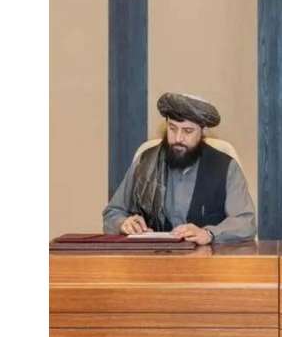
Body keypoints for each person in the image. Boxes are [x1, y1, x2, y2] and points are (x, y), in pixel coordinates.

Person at [103, 92, 256, 245]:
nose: (178, 138)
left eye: (188, 131)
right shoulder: (145, 162)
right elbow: (112, 213)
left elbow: (245, 222)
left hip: (206, 257)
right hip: (154, 256)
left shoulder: (226, 167)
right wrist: (123, 223)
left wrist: (209, 233)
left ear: (203, 131)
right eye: (172, 128)